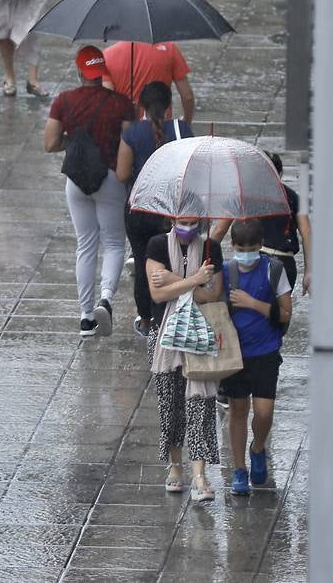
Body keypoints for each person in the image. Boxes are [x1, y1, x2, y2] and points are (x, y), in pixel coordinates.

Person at [44, 45, 135, 336]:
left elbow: (50, 143)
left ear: (79, 71)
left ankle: (85, 317)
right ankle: (106, 299)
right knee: (114, 242)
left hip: (76, 180)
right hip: (110, 179)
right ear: (102, 72)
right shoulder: (121, 104)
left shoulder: (63, 101)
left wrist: (74, 142)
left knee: (85, 244)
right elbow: (129, 141)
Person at [146, 219, 224, 501]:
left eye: (193, 222)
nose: (187, 226)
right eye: (183, 221)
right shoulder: (157, 245)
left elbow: (212, 295)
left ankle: (200, 475)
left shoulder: (210, 249)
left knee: (200, 405)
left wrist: (173, 281)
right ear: (172, 219)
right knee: (171, 405)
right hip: (164, 336)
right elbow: (157, 293)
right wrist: (193, 280)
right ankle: (176, 466)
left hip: (200, 334)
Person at [116, 81, 193, 337]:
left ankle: (148, 320)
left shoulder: (132, 134)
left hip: (139, 211)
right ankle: (173, 312)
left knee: (142, 262)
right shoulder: (181, 129)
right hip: (172, 212)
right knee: (176, 260)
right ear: (170, 105)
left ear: (142, 106)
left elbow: (122, 173)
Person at [222, 219, 292, 496]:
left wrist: (252, 304)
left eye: (252, 247)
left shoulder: (274, 270)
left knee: (264, 413)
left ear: (261, 245)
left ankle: (258, 447)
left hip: (265, 353)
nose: (247, 252)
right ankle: (239, 469)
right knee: (238, 410)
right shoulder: (226, 271)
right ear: (233, 246)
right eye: (241, 247)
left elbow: (286, 313)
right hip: (235, 355)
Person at [212, 152, 311, 294]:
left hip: (253, 261)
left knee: (247, 310)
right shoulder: (293, 197)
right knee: (280, 312)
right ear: (280, 174)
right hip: (285, 263)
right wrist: (309, 271)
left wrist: (204, 255)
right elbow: (306, 232)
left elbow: (219, 231)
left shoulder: (241, 194)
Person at [103, 41, 195, 123]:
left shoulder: (107, 55)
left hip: (124, 131)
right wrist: (187, 122)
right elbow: (187, 96)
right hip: (161, 129)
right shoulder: (170, 48)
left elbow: (107, 101)